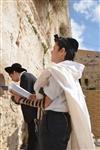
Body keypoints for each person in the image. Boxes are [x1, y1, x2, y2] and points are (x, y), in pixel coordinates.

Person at [12, 35, 95, 150]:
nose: (51, 51)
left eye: (54, 48)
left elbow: (45, 104)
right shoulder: (68, 73)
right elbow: (50, 99)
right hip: (60, 121)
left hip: (54, 122)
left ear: (62, 51)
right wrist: (30, 96)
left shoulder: (59, 72)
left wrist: (20, 100)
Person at [5, 63, 38, 150]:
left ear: (15, 72)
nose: (11, 78)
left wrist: (14, 94)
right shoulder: (27, 77)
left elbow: (27, 97)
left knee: (33, 138)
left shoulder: (25, 77)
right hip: (33, 115)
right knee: (33, 138)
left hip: (33, 115)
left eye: (11, 75)